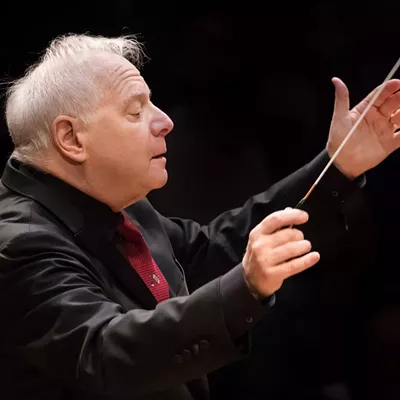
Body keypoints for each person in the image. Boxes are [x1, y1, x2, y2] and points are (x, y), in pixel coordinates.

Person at [0, 33, 399, 400]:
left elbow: (211, 254)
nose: (165, 121)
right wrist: (247, 285)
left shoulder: (116, 202)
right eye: (135, 111)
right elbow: (105, 352)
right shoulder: (20, 243)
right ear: (71, 139)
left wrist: (339, 165)